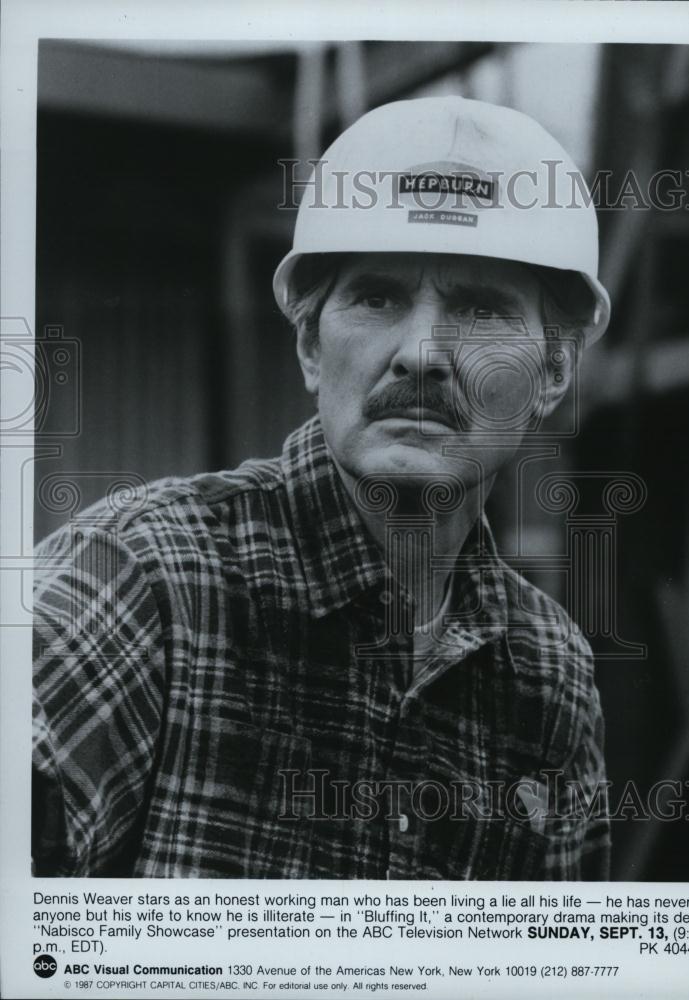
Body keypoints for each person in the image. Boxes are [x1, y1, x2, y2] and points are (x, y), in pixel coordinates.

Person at [32, 96, 611, 879]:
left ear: (553, 371)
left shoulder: (550, 672)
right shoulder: (143, 577)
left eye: (480, 308)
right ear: (310, 343)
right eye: (377, 298)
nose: (421, 354)